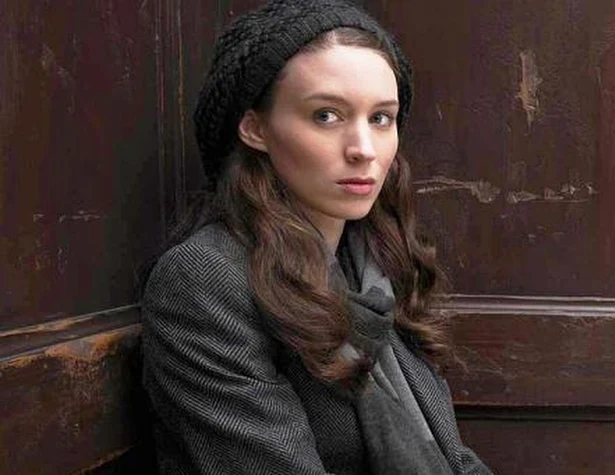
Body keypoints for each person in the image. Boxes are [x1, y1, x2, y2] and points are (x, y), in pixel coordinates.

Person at [140, 1, 493, 474]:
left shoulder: (375, 264)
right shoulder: (205, 281)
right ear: (255, 128)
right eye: (326, 115)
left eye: (381, 118)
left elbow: (452, 458)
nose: (363, 150)